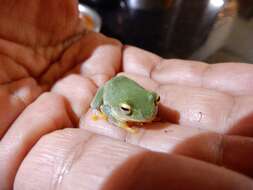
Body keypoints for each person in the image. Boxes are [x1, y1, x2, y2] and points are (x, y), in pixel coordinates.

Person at [0, 0, 253, 189]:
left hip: (125, 86)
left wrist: (138, 110)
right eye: (128, 110)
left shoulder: (148, 103)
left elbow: (143, 102)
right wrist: (117, 116)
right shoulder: (114, 100)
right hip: (112, 93)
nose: (152, 111)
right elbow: (109, 105)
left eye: (156, 101)